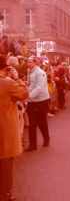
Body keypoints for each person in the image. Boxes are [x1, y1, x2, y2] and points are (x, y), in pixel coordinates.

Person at [0, 55, 29, 201]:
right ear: (5, 69)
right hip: (5, 131)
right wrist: (18, 78)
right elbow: (24, 94)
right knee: (5, 165)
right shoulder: (8, 83)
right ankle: (5, 195)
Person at [25, 55, 50, 152]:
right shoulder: (29, 72)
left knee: (41, 121)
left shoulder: (40, 73)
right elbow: (30, 85)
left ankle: (46, 138)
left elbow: (39, 88)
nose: (28, 64)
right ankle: (32, 144)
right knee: (32, 122)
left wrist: (28, 96)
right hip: (31, 100)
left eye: (30, 62)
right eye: (27, 62)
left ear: (36, 63)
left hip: (40, 100)